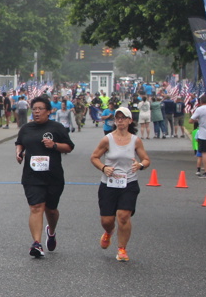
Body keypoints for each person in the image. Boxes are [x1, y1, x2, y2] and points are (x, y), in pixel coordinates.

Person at [14, 96, 75, 258]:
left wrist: (54, 145)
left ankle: (51, 231)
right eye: (34, 109)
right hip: (32, 176)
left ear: (48, 111)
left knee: (51, 210)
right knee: (36, 207)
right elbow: (20, 142)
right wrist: (18, 152)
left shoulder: (57, 128)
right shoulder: (26, 128)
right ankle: (36, 243)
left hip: (53, 176)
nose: (36, 112)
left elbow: (69, 147)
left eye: (40, 109)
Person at [90, 106, 150, 262]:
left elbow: (146, 160)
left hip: (129, 183)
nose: (120, 120)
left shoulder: (135, 140)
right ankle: (109, 232)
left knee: (123, 216)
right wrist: (104, 167)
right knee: (107, 220)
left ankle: (122, 249)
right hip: (109, 183)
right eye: (118, 118)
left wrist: (140, 165)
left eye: (123, 118)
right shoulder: (107, 139)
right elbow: (94, 157)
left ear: (130, 121)